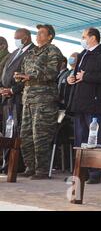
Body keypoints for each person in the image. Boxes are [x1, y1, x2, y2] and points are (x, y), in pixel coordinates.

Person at [67, 28, 101, 184]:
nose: (82, 39)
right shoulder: (82, 54)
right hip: (79, 102)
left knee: (94, 138)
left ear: (93, 38)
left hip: (95, 103)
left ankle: (95, 173)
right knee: (80, 139)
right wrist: (72, 78)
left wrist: (85, 76)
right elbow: (78, 75)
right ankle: (81, 172)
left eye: (84, 37)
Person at [17, 24, 63, 179]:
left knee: (41, 136)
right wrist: (20, 76)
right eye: (37, 33)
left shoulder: (53, 50)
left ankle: (42, 170)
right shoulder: (30, 52)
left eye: (42, 33)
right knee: (26, 135)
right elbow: (25, 70)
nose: (38, 35)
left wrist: (32, 77)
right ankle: (30, 167)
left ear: (50, 36)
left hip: (44, 100)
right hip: (28, 99)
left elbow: (52, 73)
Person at [0, 28, 34, 173]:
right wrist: (2, 88)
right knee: (7, 131)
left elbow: (29, 76)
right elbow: (5, 73)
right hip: (7, 98)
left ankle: (16, 165)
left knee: (17, 131)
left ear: (25, 38)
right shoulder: (15, 53)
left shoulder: (32, 52)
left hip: (19, 98)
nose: (15, 40)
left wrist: (13, 90)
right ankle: (7, 162)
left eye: (17, 37)